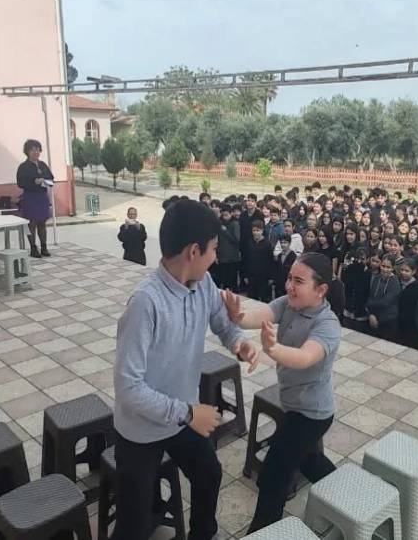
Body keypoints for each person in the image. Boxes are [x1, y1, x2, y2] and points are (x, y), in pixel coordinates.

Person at [113, 199, 259, 540]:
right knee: (134, 525)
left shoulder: (203, 283)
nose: (216, 258)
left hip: (181, 416)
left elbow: (223, 323)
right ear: (194, 251)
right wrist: (190, 414)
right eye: (213, 249)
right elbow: (128, 388)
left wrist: (240, 343)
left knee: (209, 473)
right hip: (142, 428)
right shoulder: (146, 303)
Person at [222, 254, 343, 533]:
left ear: (321, 290)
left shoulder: (327, 324)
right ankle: (345, 493)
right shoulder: (289, 303)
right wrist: (237, 315)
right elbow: (257, 316)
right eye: (289, 278)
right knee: (307, 459)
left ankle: (262, 532)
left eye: (298, 281)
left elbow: (305, 357)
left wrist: (273, 349)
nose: (289, 285)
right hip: (293, 405)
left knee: (273, 475)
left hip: (312, 414)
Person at [16, 139, 55, 258]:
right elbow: (20, 183)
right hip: (30, 197)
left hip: (42, 197)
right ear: (27, 152)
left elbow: (51, 179)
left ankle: (44, 247)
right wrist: (34, 182)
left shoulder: (43, 165)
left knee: (42, 222)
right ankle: (33, 248)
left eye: (38, 150)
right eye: (33, 150)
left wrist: (44, 181)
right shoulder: (23, 167)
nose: (36, 152)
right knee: (31, 223)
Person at [366, 254, 401, 340]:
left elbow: (385, 302)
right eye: (383, 266)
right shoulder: (376, 278)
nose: (385, 269)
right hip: (373, 318)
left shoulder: (395, 282)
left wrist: (368, 304)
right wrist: (371, 315)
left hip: (388, 321)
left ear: (393, 268)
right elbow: (371, 296)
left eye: (388, 267)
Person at [215, 206, 241, 290]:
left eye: (226, 215)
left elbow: (236, 240)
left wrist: (225, 231)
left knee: (232, 280)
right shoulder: (220, 223)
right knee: (224, 280)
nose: (224, 217)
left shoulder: (235, 224)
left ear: (231, 214)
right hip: (222, 256)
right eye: (223, 215)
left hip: (232, 257)